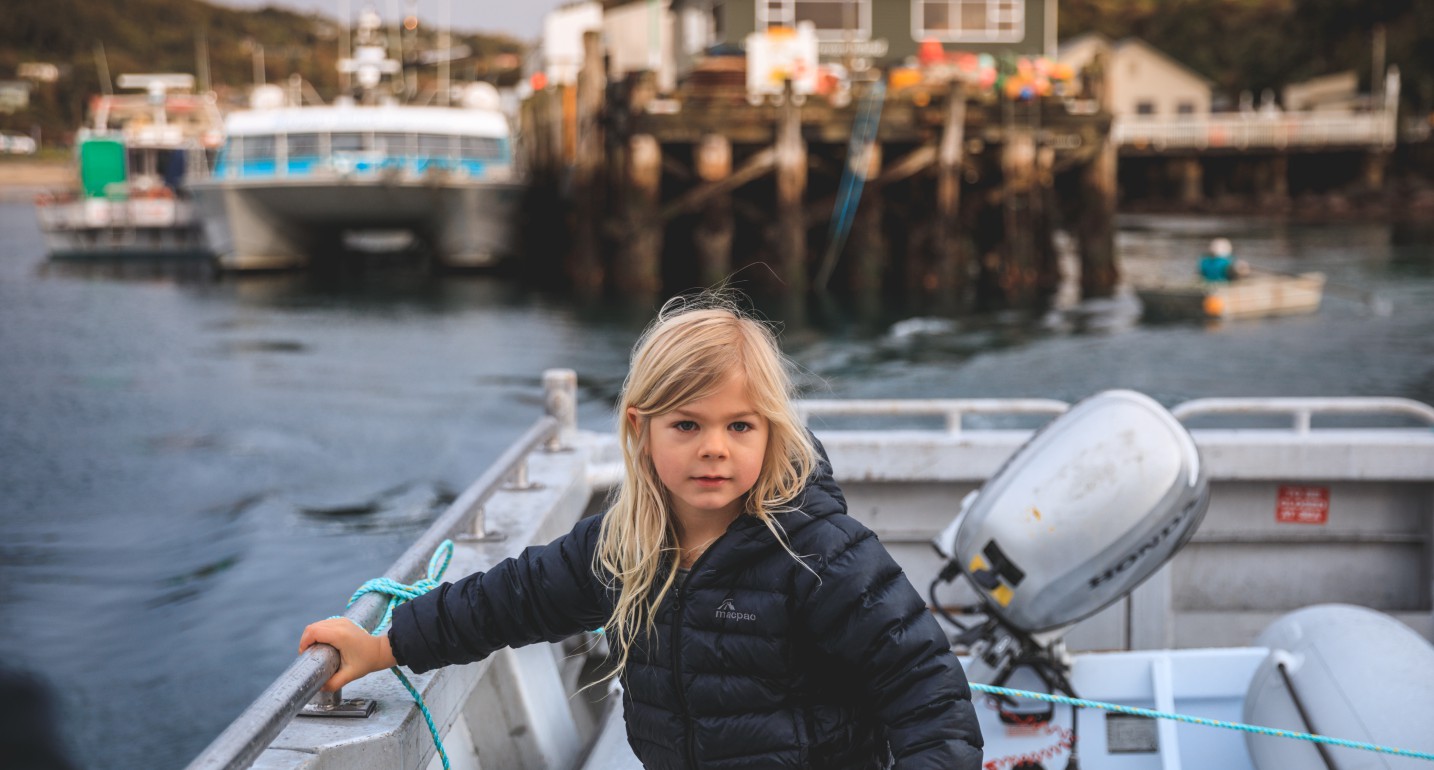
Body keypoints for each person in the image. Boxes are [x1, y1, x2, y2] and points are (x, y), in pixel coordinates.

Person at [300, 293, 985, 769]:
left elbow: (928, 694)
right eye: (687, 425)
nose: (714, 447)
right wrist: (383, 646)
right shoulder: (625, 544)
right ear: (641, 429)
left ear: (772, 431)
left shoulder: (822, 555)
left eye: (739, 426)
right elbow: (510, 599)